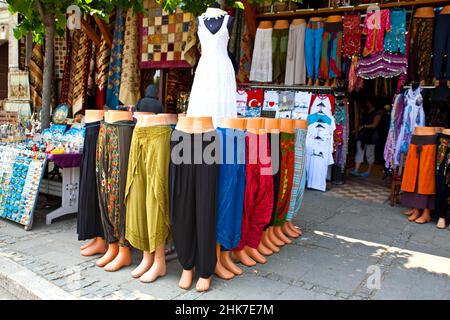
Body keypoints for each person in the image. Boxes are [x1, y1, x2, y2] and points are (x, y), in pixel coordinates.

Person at [351, 97, 383, 177]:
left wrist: (363, 127)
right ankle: (356, 169)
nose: (367, 103)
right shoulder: (365, 111)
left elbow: (375, 125)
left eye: (368, 102)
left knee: (370, 153)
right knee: (359, 151)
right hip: (362, 135)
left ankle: (368, 171)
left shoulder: (378, 112)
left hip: (371, 136)